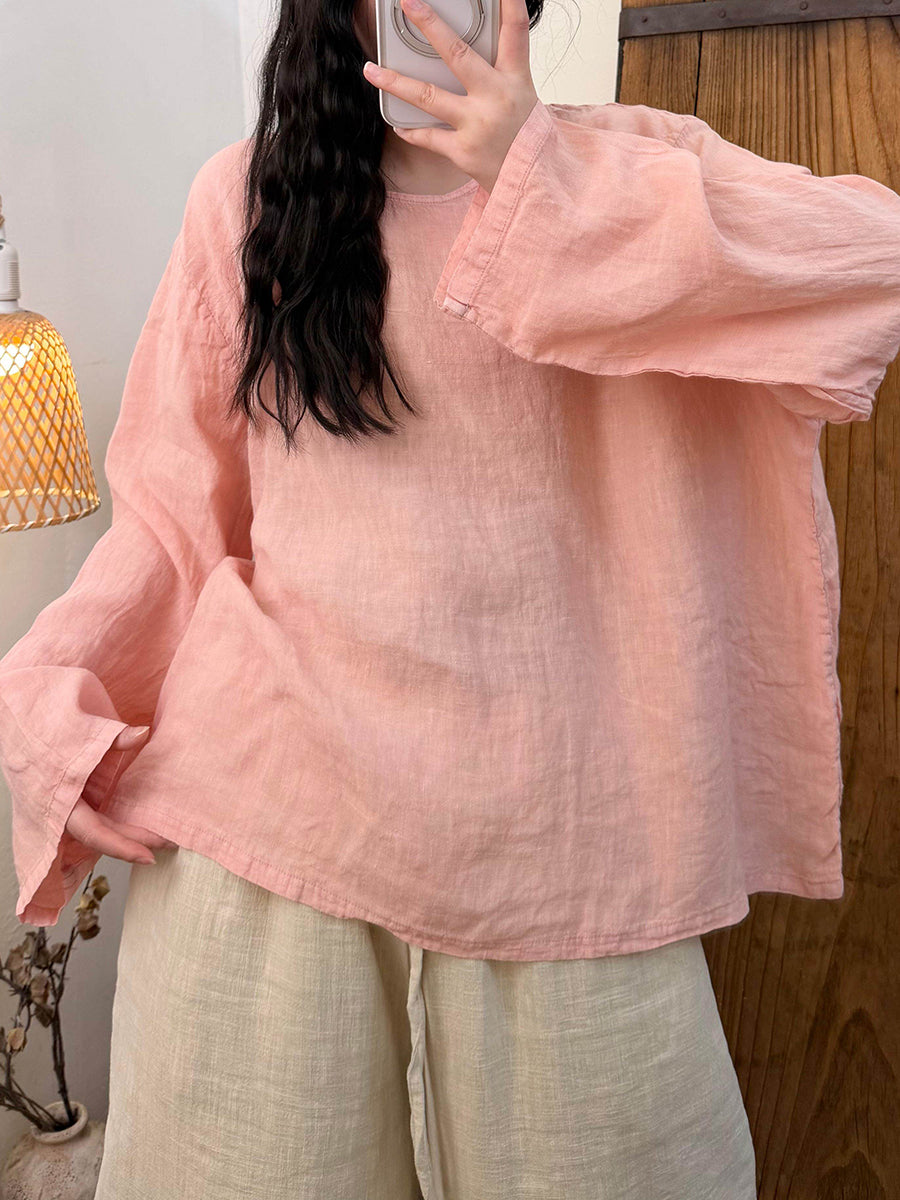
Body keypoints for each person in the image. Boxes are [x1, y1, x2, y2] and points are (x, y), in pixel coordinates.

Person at [3, 0, 900, 1193]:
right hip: (274, 839)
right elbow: (172, 522)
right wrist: (44, 692)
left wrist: (549, 180)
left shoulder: (634, 164)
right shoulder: (249, 200)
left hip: (572, 856)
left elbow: (873, 261)